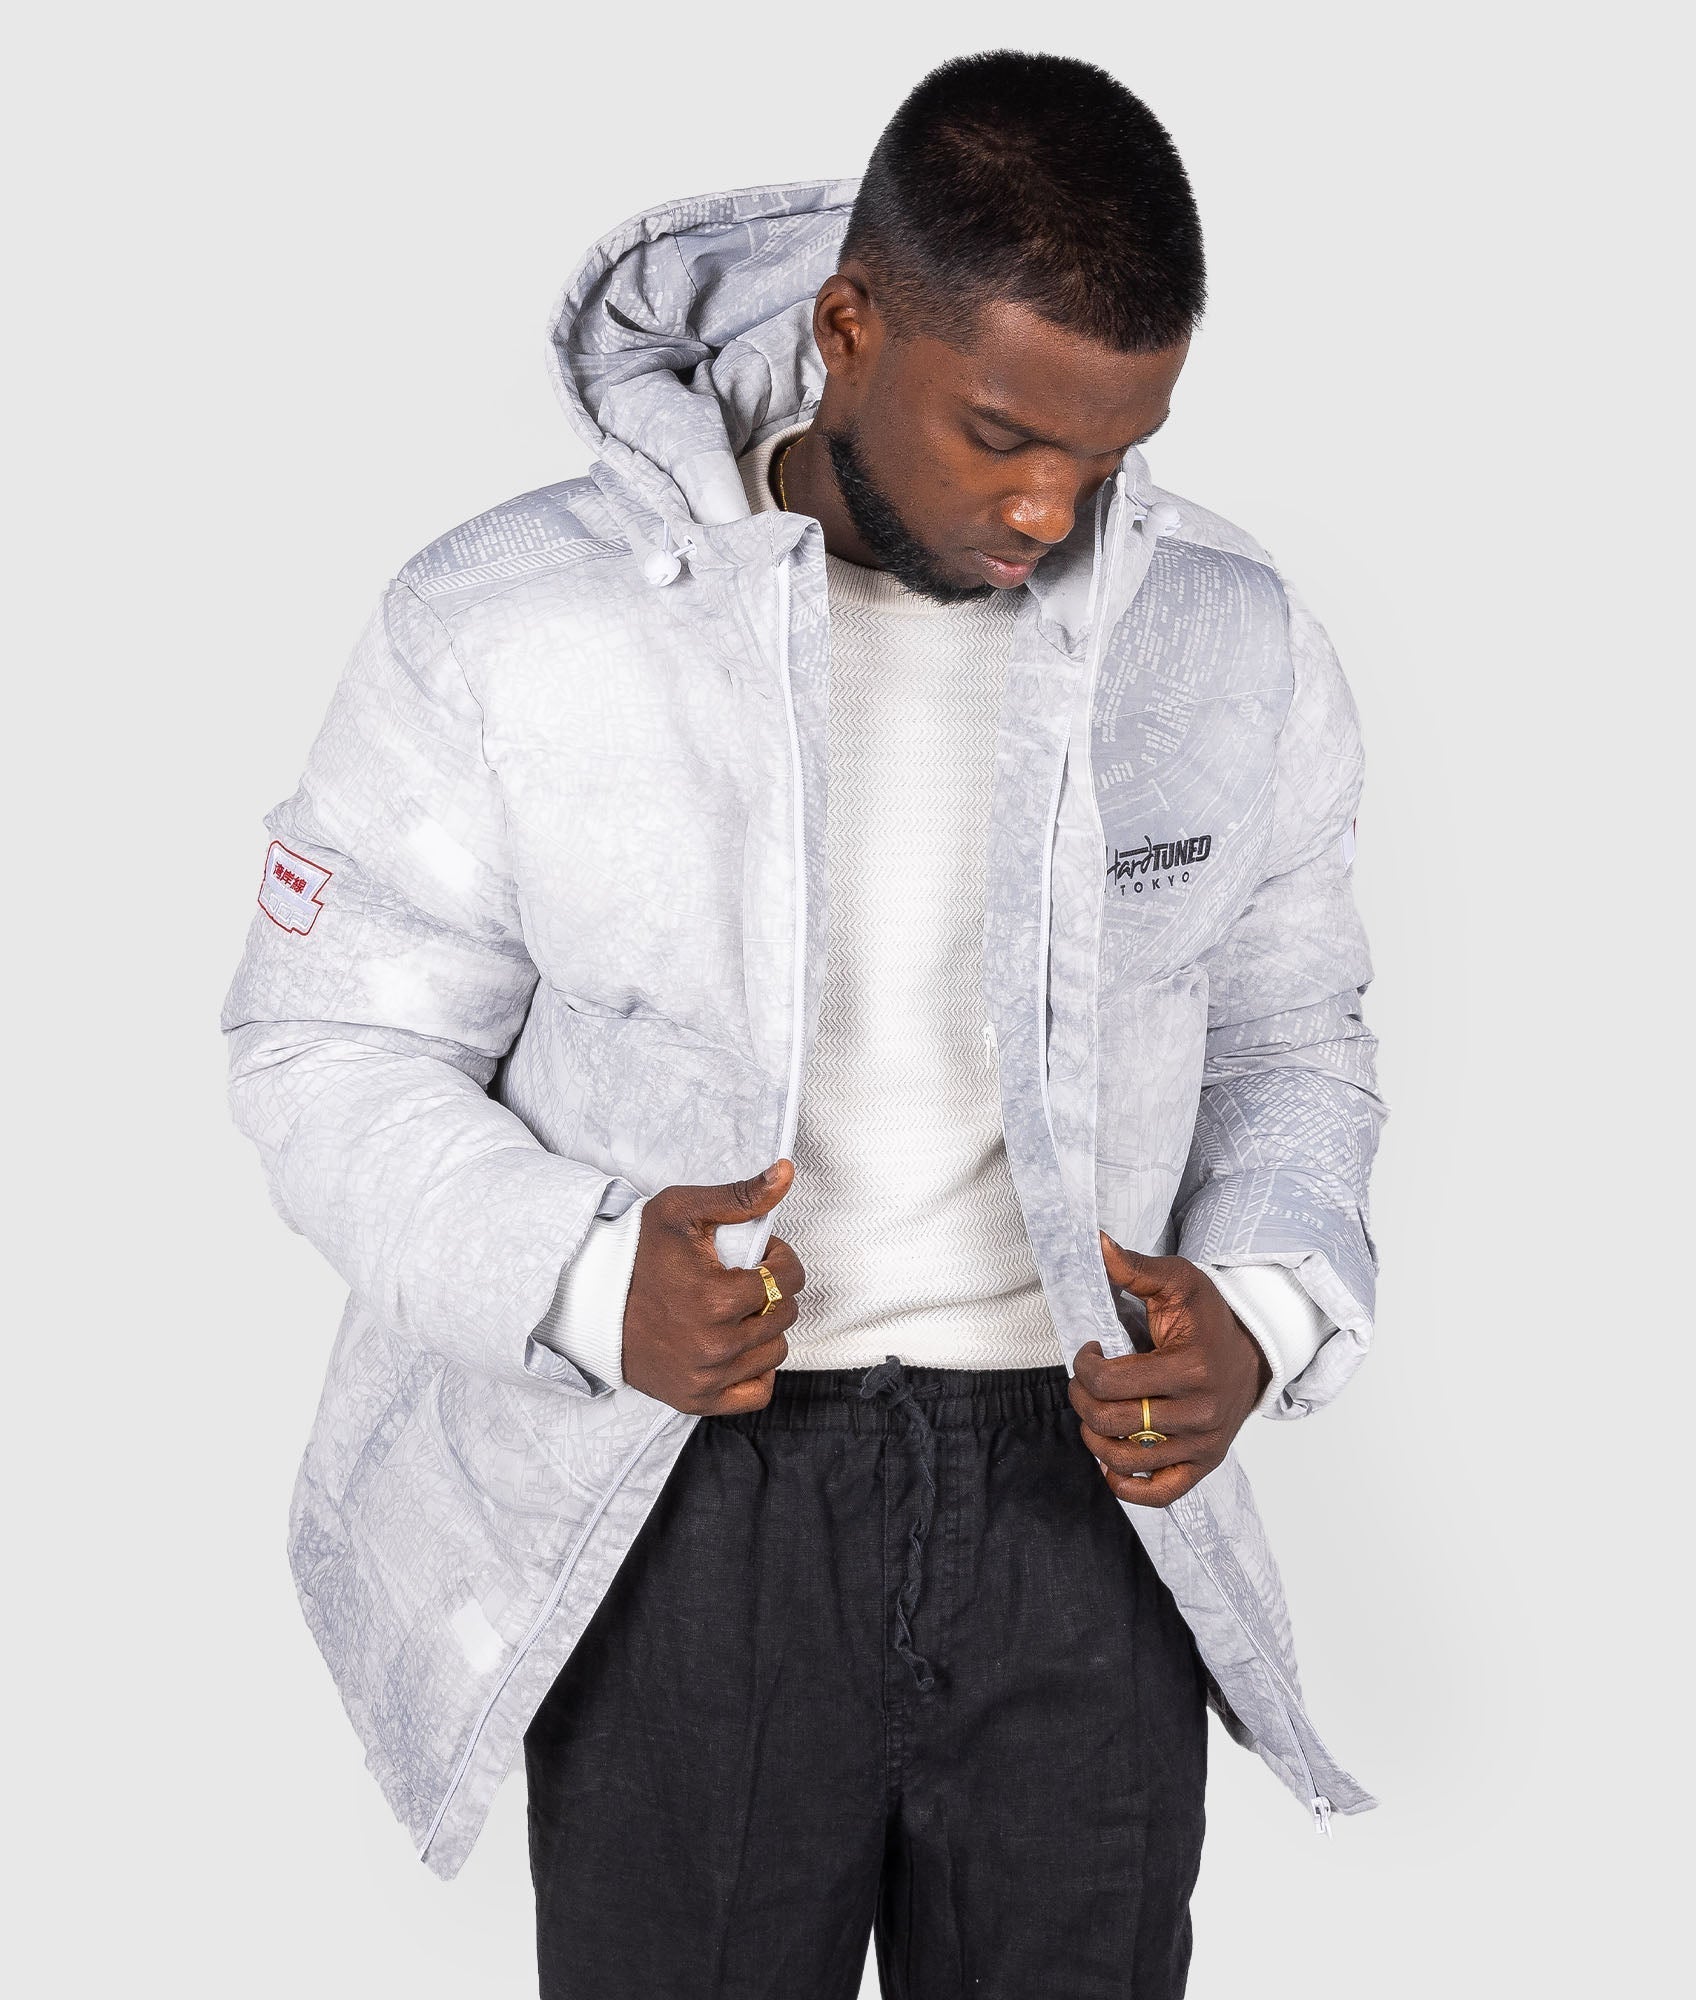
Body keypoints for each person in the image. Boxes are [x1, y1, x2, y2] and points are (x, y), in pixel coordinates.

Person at [221, 48, 1387, 1999]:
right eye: (1002, 433)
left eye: (1109, 453)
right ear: (849, 327)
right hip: (689, 1491)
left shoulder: (1223, 635)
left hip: (1084, 1501)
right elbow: (322, 1042)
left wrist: (1262, 1304)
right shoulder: (516, 624)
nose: (1050, 506)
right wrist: (587, 1277)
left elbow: (1296, 1033)